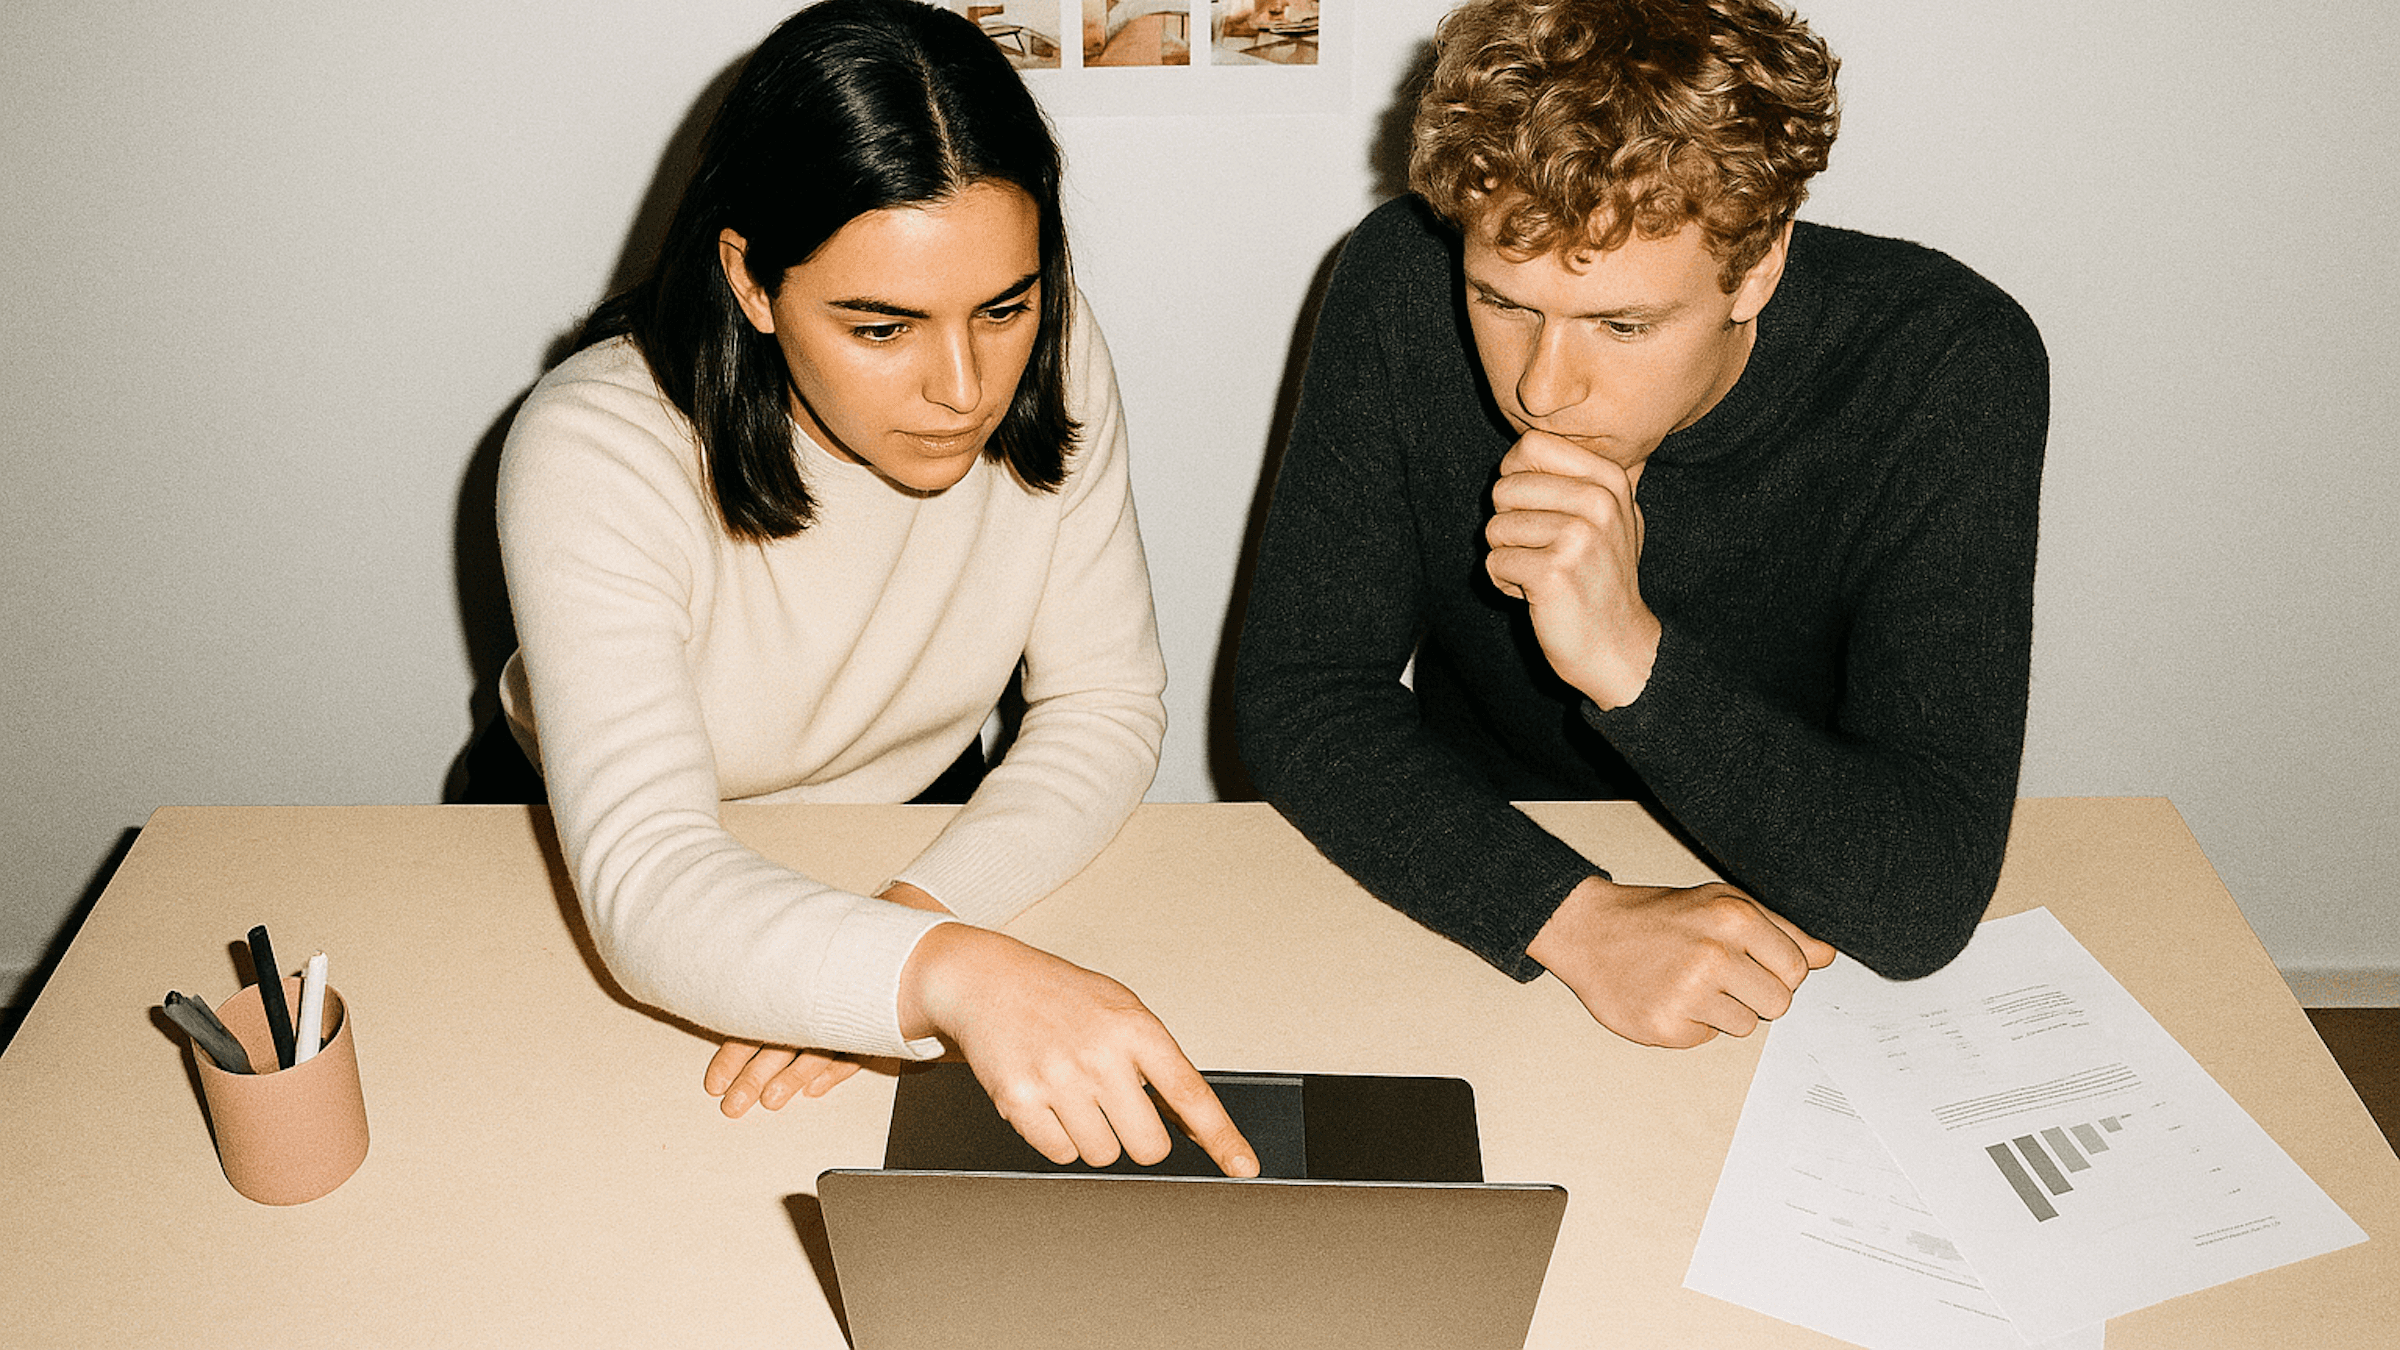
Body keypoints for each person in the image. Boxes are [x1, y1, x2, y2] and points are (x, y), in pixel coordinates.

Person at [486, 0, 1254, 1177]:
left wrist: (910, 923)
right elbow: (646, 878)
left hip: (917, 825)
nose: (964, 386)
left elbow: (1104, 706)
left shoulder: (1051, 350)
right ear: (751, 281)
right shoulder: (594, 444)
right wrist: (939, 973)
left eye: (1005, 306)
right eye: (882, 327)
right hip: (577, 847)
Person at [1235, 0, 2047, 1050]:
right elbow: (1304, 695)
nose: (1542, 388)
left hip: (1798, 894)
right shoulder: (1403, 276)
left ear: (1758, 268)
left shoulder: (1944, 362)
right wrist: (1573, 920)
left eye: (1622, 324)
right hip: (1477, 861)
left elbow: (1921, 897)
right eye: (1503, 303)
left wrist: (1628, 656)